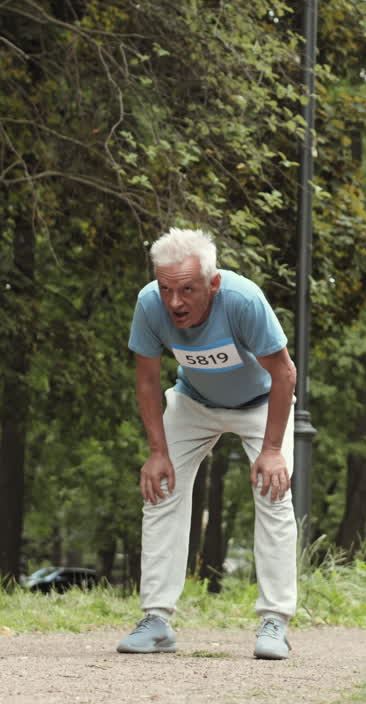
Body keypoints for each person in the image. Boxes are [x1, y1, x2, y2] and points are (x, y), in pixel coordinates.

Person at [117, 228, 297, 660]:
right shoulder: (149, 304)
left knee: (273, 494)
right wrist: (157, 453)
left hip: (260, 404)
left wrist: (272, 450)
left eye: (187, 290)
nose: (174, 302)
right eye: (166, 289)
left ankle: (275, 620)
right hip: (193, 402)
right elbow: (147, 380)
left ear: (212, 283)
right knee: (160, 490)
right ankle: (156, 621)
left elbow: (284, 373)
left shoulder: (243, 300)